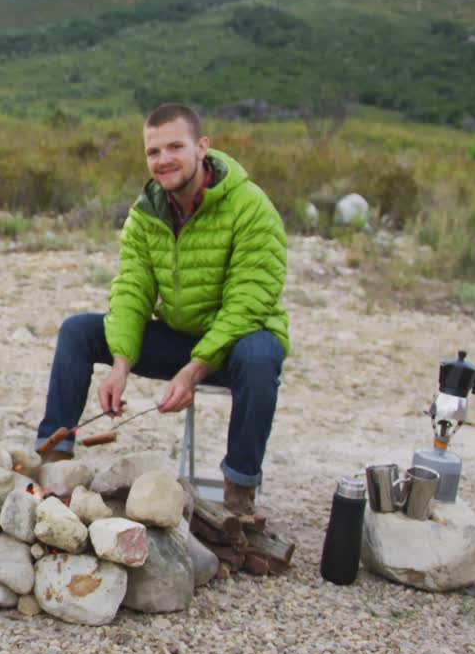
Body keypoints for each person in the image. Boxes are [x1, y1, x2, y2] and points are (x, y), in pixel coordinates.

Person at [35, 103, 289, 516]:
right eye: (154, 151)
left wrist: (195, 370)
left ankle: (239, 494)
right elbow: (132, 291)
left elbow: (248, 305)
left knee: (260, 355)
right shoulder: (146, 214)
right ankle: (53, 462)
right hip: (179, 338)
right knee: (78, 331)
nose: (163, 159)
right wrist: (121, 361)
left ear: (201, 147)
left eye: (175, 146)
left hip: (237, 344)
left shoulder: (251, 207)